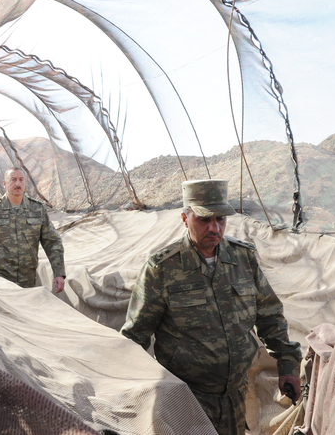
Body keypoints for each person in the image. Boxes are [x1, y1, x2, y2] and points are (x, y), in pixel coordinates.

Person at [121, 179, 302, 435]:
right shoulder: (162, 268)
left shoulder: (242, 258)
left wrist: (288, 365)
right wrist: (134, 396)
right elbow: (134, 336)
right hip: (187, 399)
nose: (214, 227)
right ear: (185, 218)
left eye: (220, 219)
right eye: (204, 220)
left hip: (235, 395)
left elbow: (269, 314)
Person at [0, 167, 65, 292]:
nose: (18, 184)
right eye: (13, 180)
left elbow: (52, 242)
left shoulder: (37, 209)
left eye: (21, 180)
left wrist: (58, 272)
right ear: (4, 184)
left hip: (27, 280)